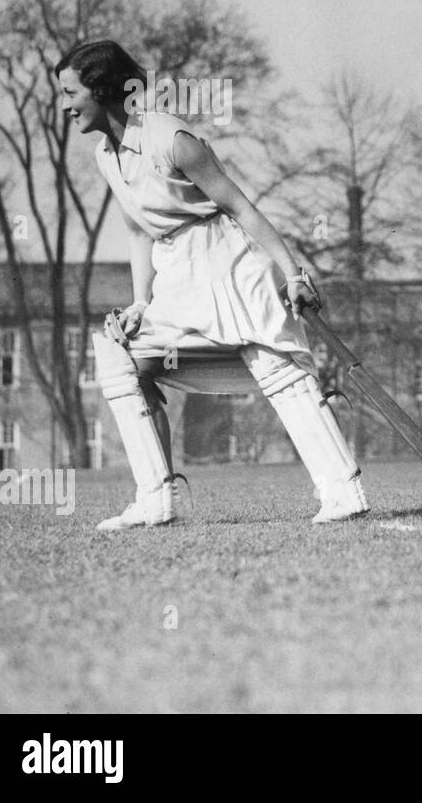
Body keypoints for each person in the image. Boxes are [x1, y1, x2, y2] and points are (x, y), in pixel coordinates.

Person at [57, 40, 368, 530]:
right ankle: (155, 500)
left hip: (228, 263)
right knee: (123, 358)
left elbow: (241, 206)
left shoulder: (171, 138)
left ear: (100, 88)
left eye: (71, 92)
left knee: (277, 368)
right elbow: (140, 230)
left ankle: (342, 491)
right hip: (176, 272)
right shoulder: (104, 156)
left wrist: (292, 273)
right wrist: (142, 301)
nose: (66, 105)